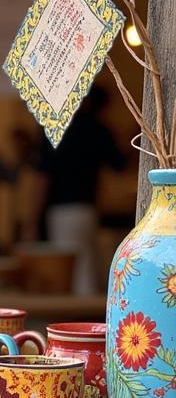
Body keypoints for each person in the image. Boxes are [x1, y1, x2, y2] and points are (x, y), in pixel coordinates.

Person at [31, 84, 126, 294]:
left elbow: (42, 177)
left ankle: (73, 323)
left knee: (69, 274)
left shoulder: (54, 126)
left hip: (60, 210)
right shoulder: (98, 127)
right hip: (87, 209)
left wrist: (32, 218)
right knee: (85, 270)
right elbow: (120, 163)